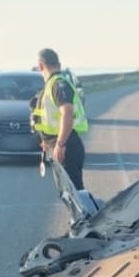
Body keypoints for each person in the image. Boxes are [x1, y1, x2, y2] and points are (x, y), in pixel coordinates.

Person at [32, 47, 89, 190]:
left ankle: (91, 207)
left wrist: (61, 144)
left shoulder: (57, 84)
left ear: (41, 66)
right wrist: (46, 141)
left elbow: (67, 113)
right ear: (58, 64)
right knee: (69, 192)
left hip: (66, 146)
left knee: (75, 192)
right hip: (59, 144)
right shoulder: (53, 84)